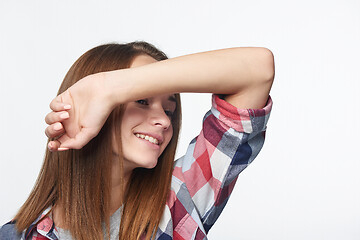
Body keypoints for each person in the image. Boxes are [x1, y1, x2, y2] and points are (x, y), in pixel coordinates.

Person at [0, 41, 274, 240]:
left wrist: (112, 87)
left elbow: (257, 70)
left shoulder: (180, 200)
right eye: (142, 102)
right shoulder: (18, 236)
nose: (165, 121)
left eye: (169, 109)